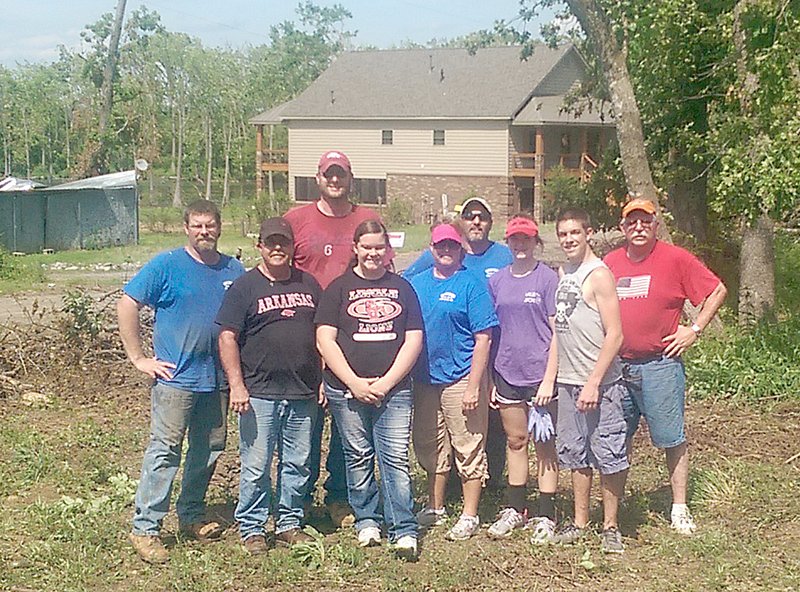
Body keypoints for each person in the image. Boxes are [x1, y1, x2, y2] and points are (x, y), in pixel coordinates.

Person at [118, 199, 244, 564]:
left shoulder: (233, 269)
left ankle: (191, 514)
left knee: (208, 451)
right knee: (166, 450)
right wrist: (139, 358)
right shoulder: (167, 265)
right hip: (176, 379)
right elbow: (127, 303)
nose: (204, 231)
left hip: (216, 380)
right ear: (186, 228)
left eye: (210, 225)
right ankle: (146, 527)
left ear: (220, 227)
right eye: (197, 225)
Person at [604, 197, 727, 535]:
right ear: (622, 227)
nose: (639, 227)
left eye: (645, 221)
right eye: (632, 222)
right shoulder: (610, 263)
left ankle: (679, 507)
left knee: (671, 438)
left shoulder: (675, 259)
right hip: (617, 368)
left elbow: (717, 290)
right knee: (616, 437)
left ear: (656, 224)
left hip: (660, 365)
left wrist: (695, 329)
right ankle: (617, 505)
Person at [284, 150, 393, 527]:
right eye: (329, 174)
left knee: (351, 425)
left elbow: (386, 272)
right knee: (305, 424)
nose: (335, 180)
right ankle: (294, 503)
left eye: (341, 174)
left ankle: (340, 497)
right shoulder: (296, 220)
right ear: (318, 178)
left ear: (350, 178)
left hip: (357, 336)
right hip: (306, 333)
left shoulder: (367, 220)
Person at [316, 220, 423, 560]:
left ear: (387, 250)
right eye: (368, 247)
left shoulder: (403, 288)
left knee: (394, 458)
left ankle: (403, 528)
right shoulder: (338, 288)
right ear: (356, 248)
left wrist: (387, 382)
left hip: (394, 390)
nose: (374, 253)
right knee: (358, 456)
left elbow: (414, 339)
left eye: (380, 247)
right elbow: (325, 339)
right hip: (347, 390)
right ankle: (367, 521)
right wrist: (354, 383)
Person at [216, 217, 322, 555]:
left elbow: (323, 336)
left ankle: (289, 522)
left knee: (298, 462)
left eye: (284, 243)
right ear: (259, 246)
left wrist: (321, 379)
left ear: (293, 248)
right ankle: (253, 526)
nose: (278, 248)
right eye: (271, 242)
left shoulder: (309, 284)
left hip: (302, 390)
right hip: (259, 392)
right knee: (256, 464)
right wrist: (237, 385)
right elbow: (227, 337)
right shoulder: (245, 287)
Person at [403, 197, 513, 489]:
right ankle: (449, 486)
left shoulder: (504, 256)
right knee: (445, 424)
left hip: (493, 347)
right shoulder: (439, 254)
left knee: (489, 423)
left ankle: (492, 484)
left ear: (491, 222)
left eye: (482, 216)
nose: (476, 221)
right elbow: (407, 281)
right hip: (451, 353)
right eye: (469, 216)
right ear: (461, 224)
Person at [546, 208, 628, 554]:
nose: (568, 240)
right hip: (568, 381)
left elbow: (615, 335)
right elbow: (558, 333)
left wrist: (594, 381)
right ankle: (580, 522)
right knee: (574, 453)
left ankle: (610, 525)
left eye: (574, 233)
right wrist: (550, 378)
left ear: (589, 233)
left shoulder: (599, 275)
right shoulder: (564, 272)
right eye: (563, 234)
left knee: (608, 452)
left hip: (602, 384)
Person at [410, 222, 499, 541]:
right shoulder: (416, 284)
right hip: (424, 379)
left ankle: (469, 514)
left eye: (451, 246)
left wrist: (476, 383)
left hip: (461, 377)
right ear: (431, 249)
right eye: (440, 246)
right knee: (430, 444)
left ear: (460, 249)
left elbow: (484, 337)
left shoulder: (471, 284)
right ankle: (435, 507)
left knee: (468, 444)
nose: (445, 251)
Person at [485, 214, 560, 543]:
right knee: (516, 442)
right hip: (506, 373)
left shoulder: (547, 279)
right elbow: (489, 332)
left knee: (545, 446)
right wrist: (489, 377)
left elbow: (560, 333)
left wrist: (548, 379)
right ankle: (516, 508)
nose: (520, 244)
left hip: (540, 375)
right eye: (514, 239)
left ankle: (547, 513)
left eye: (526, 239)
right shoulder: (497, 280)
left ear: (536, 242)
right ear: (508, 241)